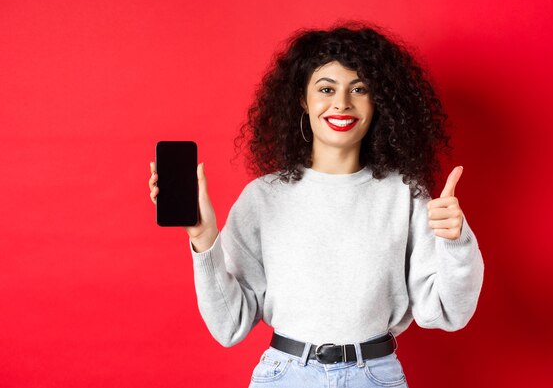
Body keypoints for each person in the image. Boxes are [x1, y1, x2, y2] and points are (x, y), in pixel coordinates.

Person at [148, 21, 484, 388]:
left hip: (375, 376)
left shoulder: (404, 195)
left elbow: (448, 313)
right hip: (285, 376)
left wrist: (456, 242)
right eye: (327, 89)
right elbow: (230, 326)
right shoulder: (263, 197)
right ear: (303, 101)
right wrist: (203, 237)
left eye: (359, 89)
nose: (342, 102)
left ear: (377, 103)